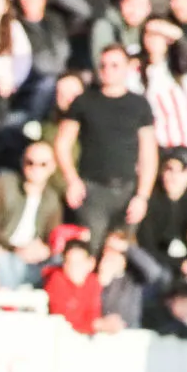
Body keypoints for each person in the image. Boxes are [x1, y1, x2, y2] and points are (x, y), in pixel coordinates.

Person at [54, 44, 156, 246]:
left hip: (127, 190)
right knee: (90, 248)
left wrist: (142, 196)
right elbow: (62, 144)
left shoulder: (139, 105)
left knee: (120, 252)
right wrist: (72, 180)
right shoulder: (84, 102)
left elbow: (149, 153)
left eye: (115, 65)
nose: (108, 70)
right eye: (103, 65)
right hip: (93, 190)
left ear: (128, 68)